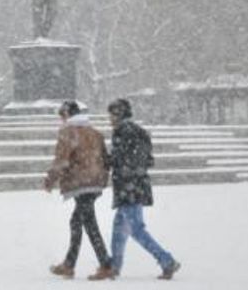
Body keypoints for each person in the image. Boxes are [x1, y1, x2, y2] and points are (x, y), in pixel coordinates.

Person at [106, 98, 180, 280]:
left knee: (136, 229)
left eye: (111, 114)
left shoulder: (122, 132)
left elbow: (119, 160)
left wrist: (105, 159)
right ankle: (114, 266)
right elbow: (148, 160)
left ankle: (166, 260)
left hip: (128, 187)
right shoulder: (139, 131)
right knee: (118, 228)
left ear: (119, 114)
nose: (109, 118)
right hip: (137, 185)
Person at [45, 101, 115, 281]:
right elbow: (106, 159)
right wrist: (100, 177)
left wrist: (50, 179)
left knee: (89, 224)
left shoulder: (68, 133)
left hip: (80, 182)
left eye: (62, 116)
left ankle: (106, 264)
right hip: (95, 182)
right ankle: (69, 264)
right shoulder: (95, 133)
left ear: (67, 115)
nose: (61, 120)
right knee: (77, 221)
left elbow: (62, 159)